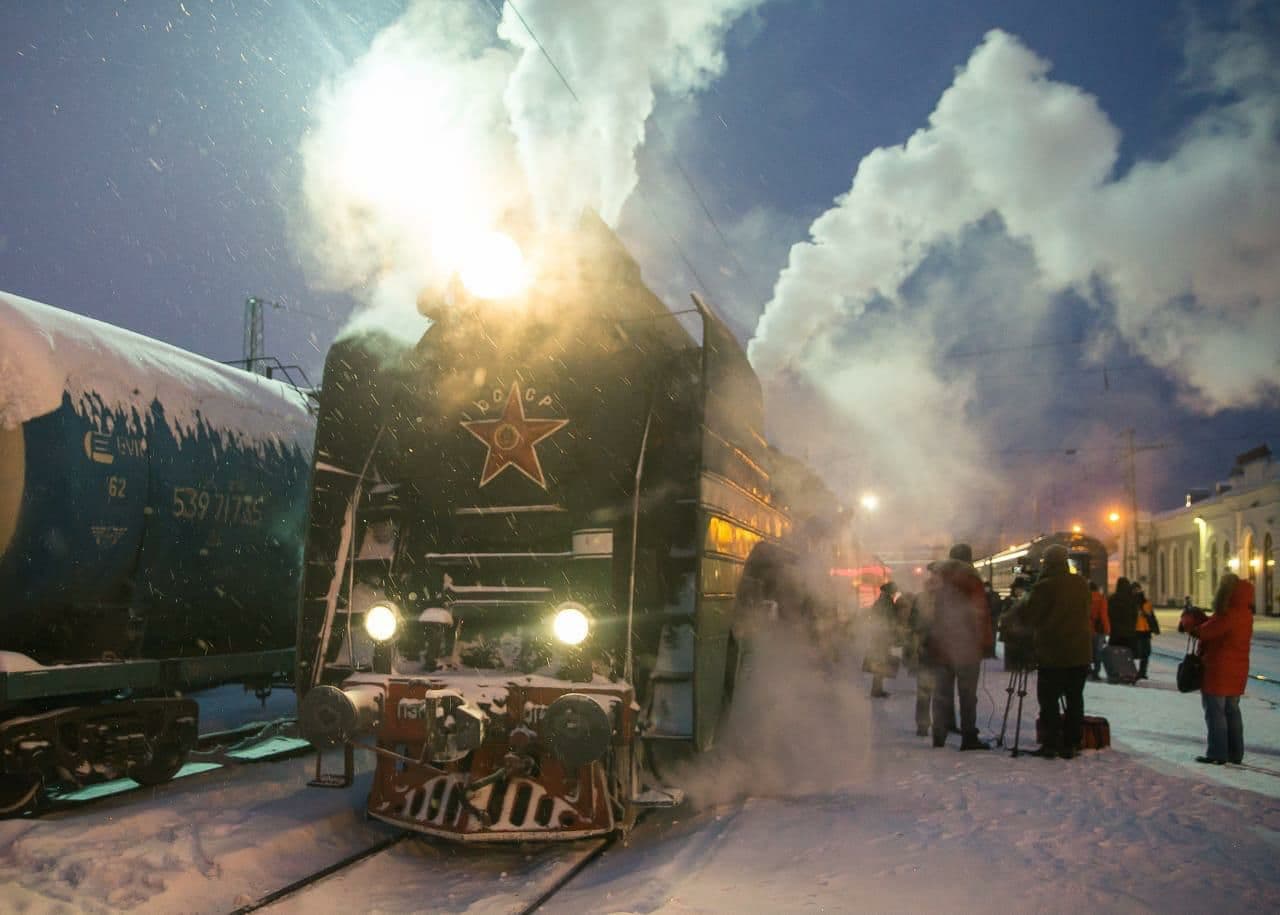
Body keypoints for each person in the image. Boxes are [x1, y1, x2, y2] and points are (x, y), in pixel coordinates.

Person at [1014, 544, 1092, 759]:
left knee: (1048, 701)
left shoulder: (1044, 587)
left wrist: (1022, 603)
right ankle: (1072, 742)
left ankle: (1051, 743)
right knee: (1075, 698)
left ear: (1047, 563)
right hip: (1080, 653)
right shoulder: (1081, 583)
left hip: (1053, 654)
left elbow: (1030, 617)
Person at [926, 543, 993, 750]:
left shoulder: (935, 580)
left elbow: (925, 612)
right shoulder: (971, 579)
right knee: (967, 695)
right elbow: (979, 613)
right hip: (966, 647)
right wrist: (985, 642)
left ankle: (939, 734)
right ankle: (968, 737)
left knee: (941, 693)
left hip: (940, 644)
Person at [1182, 573, 1253, 765]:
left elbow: (1205, 632)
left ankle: (1217, 753)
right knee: (1232, 710)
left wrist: (1192, 624)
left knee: (1215, 712)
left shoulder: (1228, 613)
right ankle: (1235, 753)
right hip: (1237, 670)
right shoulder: (1244, 612)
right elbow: (1217, 628)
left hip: (1219, 669)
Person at [865, 582, 898, 698]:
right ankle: (876, 691)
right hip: (882, 638)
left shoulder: (880, 601)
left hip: (878, 637)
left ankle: (877, 689)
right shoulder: (886, 602)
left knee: (879, 664)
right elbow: (890, 620)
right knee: (880, 664)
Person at [1133, 586, 1160, 679]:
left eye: (1139, 590)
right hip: (1138, 630)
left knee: (1146, 652)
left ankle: (1142, 671)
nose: (1138, 592)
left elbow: (1152, 616)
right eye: (1136, 590)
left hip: (1145, 630)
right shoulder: (1133, 603)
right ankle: (1139, 671)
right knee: (1140, 652)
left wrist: (1156, 628)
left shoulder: (1146, 603)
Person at [1107, 577, 1138, 654]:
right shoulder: (1132, 599)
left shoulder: (1112, 599)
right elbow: (1135, 616)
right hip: (1129, 635)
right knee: (1128, 658)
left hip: (1115, 635)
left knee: (1116, 658)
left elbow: (1108, 615)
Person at [1088, 581, 1110, 681]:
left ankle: (1087, 670)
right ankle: (1096, 672)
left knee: (1087, 651)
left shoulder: (1083, 598)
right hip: (1098, 629)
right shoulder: (1101, 598)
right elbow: (1103, 616)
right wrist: (1106, 630)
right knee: (1098, 652)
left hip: (1086, 629)